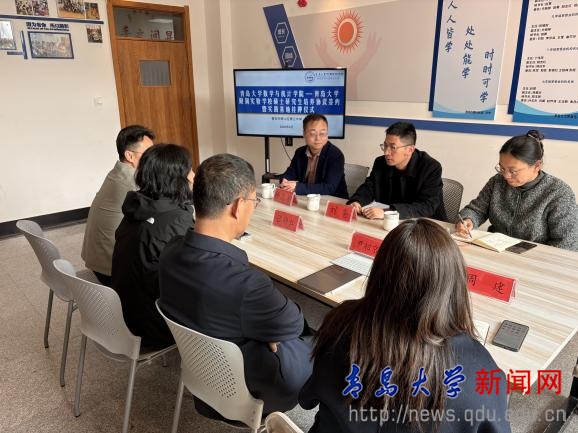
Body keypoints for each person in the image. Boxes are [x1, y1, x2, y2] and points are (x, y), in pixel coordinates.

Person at [299, 219, 511, 433]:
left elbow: (308, 398)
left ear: (380, 273)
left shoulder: (339, 324)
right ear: (454, 285)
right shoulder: (481, 372)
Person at [158, 153, 313, 414]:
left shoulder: (170, 251)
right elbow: (295, 324)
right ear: (238, 206)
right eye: (254, 201)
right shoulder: (248, 284)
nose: (253, 207)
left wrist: (258, 327)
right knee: (327, 344)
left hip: (201, 379)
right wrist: (266, 331)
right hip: (248, 393)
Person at [111, 144, 195, 348]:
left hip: (124, 315)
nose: (193, 175)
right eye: (189, 170)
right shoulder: (176, 220)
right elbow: (197, 274)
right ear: (176, 178)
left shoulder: (137, 206)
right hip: (153, 326)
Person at [456, 130, 578, 251]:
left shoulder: (558, 193)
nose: (506, 176)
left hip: (535, 257)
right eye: (502, 168)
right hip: (494, 250)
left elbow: (567, 243)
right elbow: (476, 210)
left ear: (537, 166)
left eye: (513, 171)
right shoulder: (497, 182)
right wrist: (468, 219)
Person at [82, 125, 155, 286]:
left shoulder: (117, 173)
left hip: (97, 261)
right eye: (149, 154)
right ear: (129, 155)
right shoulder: (132, 182)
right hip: (112, 271)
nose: (154, 159)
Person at [347, 121, 445, 219]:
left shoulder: (431, 168)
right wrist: (357, 201)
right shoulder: (380, 162)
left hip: (425, 224)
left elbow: (426, 206)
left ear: (410, 150)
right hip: (388, 222)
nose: (386, 152)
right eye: (385, 145)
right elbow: (369, 187)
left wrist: (388, 212)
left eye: (393, 147)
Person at [279, 113, 348, 199]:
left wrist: (298, 187)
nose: (318, 138)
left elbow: (329, 188)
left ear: (327, 134)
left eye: (322, 133)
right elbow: (290, 173)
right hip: (306, 199)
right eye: (312, 134)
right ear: (304, 134)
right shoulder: (300, 152)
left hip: (332, 201)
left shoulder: (336, 155)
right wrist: (285, 180)